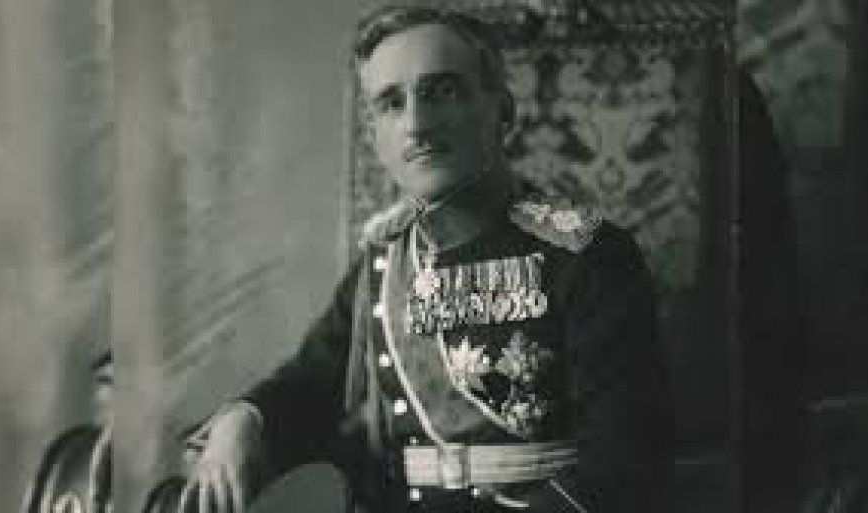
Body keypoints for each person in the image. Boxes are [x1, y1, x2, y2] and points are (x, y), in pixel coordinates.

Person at [178, 6, 673, 513]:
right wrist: (244, 420)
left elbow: (622, 461)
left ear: (502, 112)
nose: (417, 125)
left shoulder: (588, 256)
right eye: (392, 103)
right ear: (375, 137)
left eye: (443, 92)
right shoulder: (385, 263)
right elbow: (309, 386)